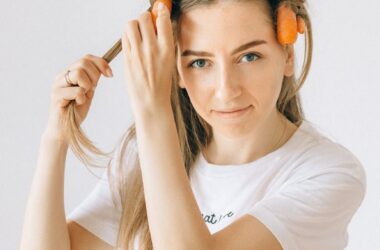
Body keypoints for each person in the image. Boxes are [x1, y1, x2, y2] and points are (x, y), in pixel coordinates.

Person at [20, 0, 367, 249]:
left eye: (249, 56)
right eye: (201, 62)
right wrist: (56, 136)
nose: (226, 89)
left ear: (287, 55)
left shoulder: (328, 173)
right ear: (177, 68)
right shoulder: (145, 156)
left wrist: (153, 109)